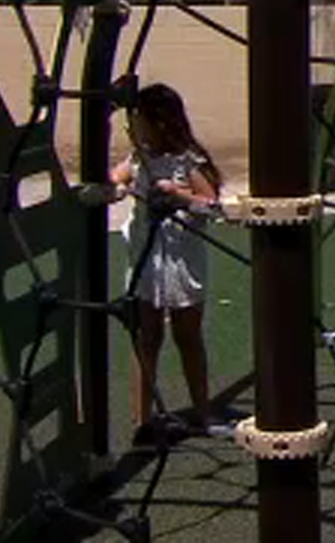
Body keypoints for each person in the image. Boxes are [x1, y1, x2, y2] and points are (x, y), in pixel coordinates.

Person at [109, 82, 235, 440]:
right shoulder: (139, 159)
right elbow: (116, 179)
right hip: (148, 260)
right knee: (145, 338)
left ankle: (203, 412)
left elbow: (210, 204)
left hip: (181, 260)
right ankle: (142, 420)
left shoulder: (186, 160)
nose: (133, 131)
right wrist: (115, 188)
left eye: (140, 123)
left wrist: (178, 195)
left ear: (160, 123)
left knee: (188, 337)